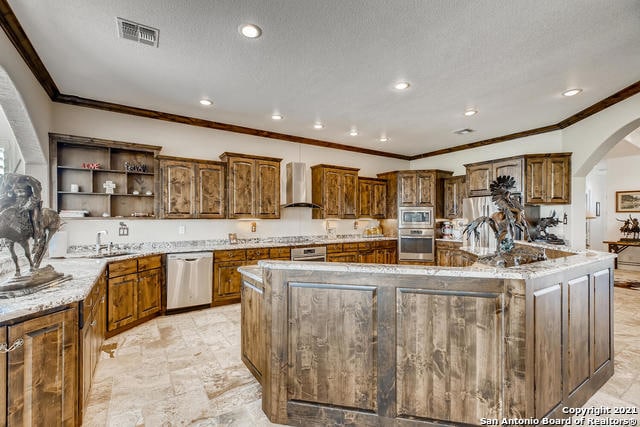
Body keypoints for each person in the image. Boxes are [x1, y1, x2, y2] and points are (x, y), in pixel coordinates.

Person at [0, 173, 44, 243]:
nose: (11, 185)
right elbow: (6, 194)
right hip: (18, 201)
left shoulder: (28, 180)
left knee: (34, 219)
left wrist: (27, 206)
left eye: (12, 183)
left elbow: (37, 196)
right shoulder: (7, 181)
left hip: (31, 201)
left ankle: (37, 239)